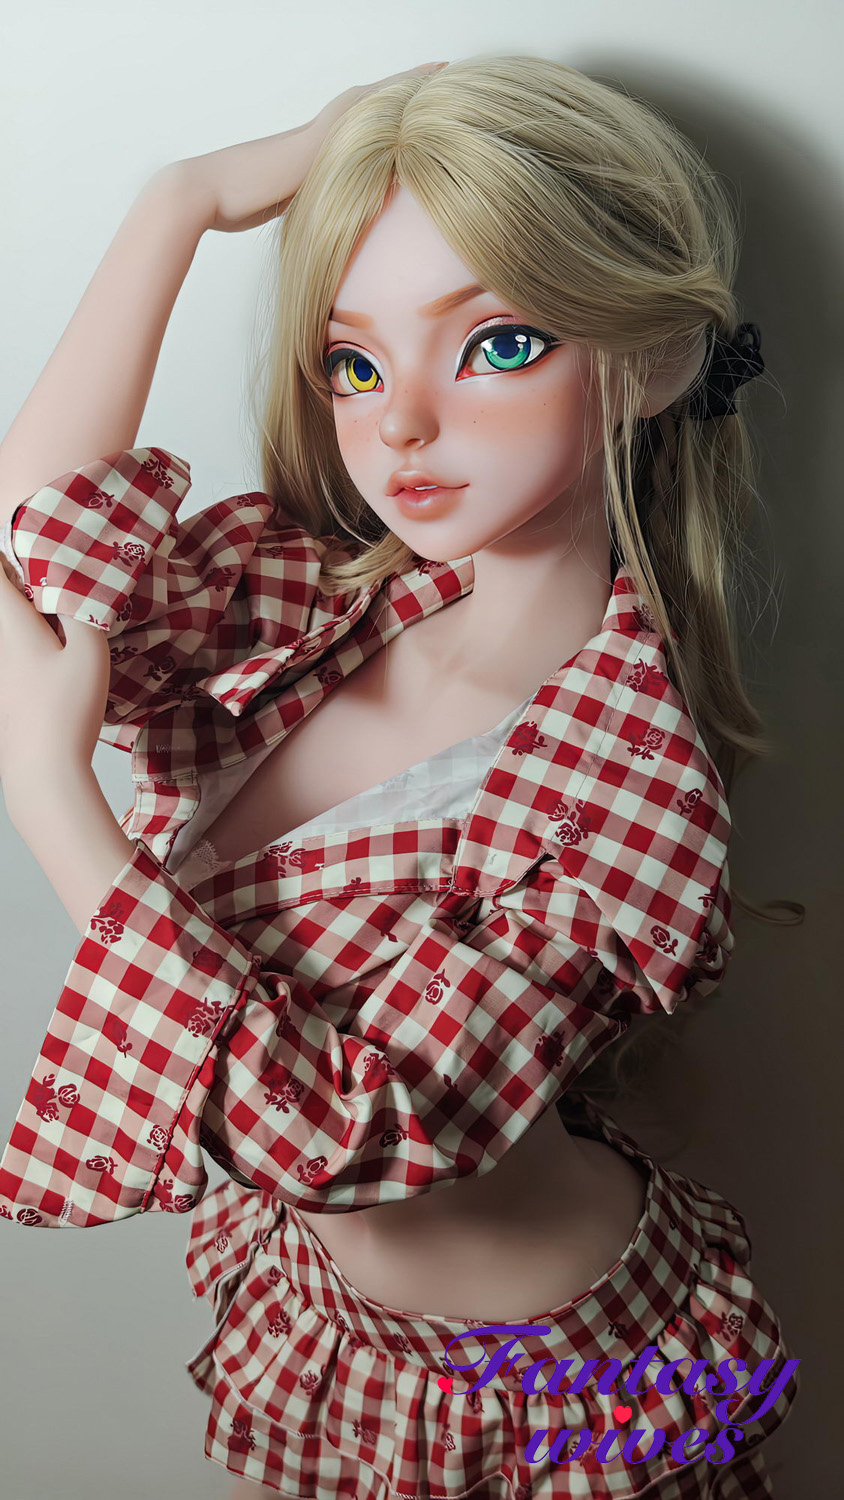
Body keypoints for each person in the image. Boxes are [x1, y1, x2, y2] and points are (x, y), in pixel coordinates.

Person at [0, 54, 801, 1500]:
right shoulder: (336, 603)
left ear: (649, 361)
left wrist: (55, 801)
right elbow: (41, 554)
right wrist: (179, 203)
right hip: (336, 1316)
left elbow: (347, 1132)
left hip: (559, 1371)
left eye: (498, 343)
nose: (402, 424)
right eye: (353, 364)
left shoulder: (624, 791)